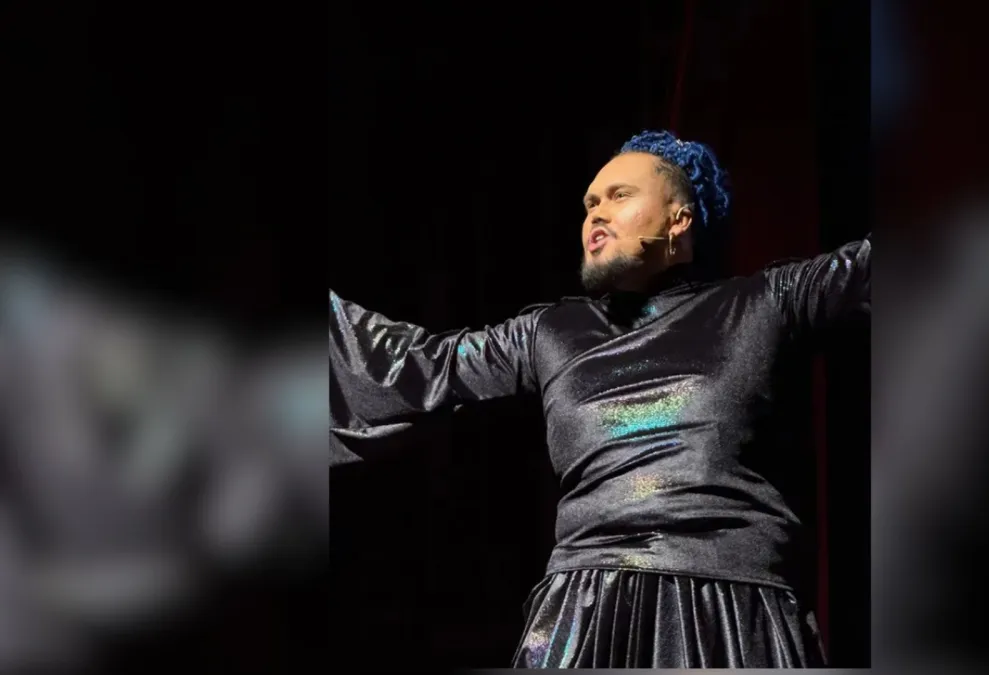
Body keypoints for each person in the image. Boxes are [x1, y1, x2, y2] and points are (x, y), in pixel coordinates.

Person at [330, 130, 870, 667]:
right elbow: (415, 368)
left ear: (679, 219)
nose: (596, 214)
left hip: (728, 607)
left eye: (619, 196)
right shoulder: (550, 333)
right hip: (587, 610)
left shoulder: (763, 303)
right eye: (590, 204)